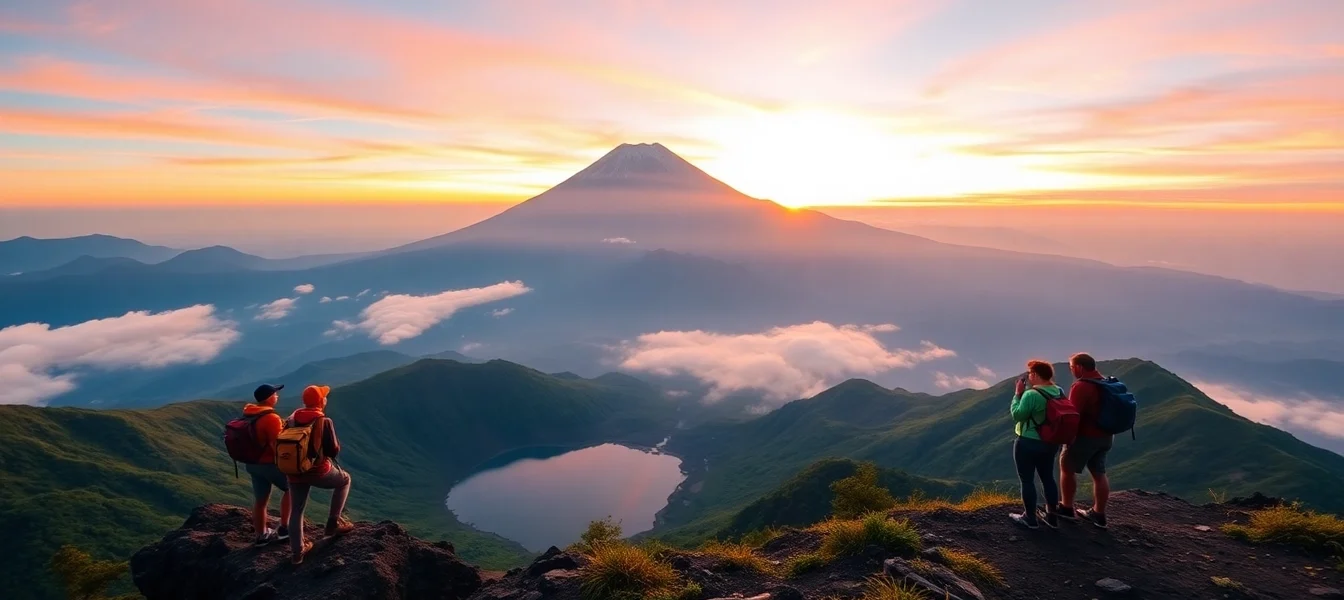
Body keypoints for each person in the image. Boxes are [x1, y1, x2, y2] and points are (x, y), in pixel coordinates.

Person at [286, 384, 354, 564]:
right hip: (318, 471)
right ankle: (334, 523)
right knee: (345, 480)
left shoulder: (291, 418)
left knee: (296, 510)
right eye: (324, 397)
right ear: (321, 401)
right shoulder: (324, 421)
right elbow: (333, 450)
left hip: (294, 472)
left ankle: (297, 554)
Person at [1057, 352, 1113, 529]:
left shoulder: (1081, 386)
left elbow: (1073, 415)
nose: (1072, 370)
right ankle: (1099, 514)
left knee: (1067, 468)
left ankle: (1066, 508)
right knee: (1099, 473)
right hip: (1106, 436)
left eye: (1072, 367)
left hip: (1085, 437)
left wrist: (1067, 437)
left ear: (1079, 367)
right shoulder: (1106, 382)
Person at [1008, 359, 1065, 529]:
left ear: (1036, 375)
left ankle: (1030, 518)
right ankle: (1052, 517)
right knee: (1048, 478)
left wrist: (1017, 394)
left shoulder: (1031, 394)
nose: (1029, 377)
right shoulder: (1058, 390)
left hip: (1028, 441)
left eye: (1030, 374)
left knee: (1027, 480)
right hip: (1050, 442)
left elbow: (1018, 415)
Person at [243, 384, 291, 546]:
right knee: (291, 488)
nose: (277, 396)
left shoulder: (248, 414)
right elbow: (277, 445)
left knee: (260, 501)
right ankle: (285, 529)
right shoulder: (271, 418)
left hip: (252, 464)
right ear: (269, 397)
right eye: (276, 394)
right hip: (269, 464)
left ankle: (261, 536)